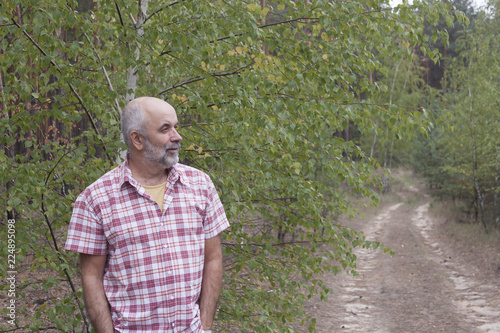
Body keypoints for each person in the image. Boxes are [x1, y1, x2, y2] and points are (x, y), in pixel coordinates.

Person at [65, 97, 229, 333]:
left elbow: (213, 258)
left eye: (176, 126)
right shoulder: (95, 200)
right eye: (165, 129)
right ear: (137, 139)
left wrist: (206, 327)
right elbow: (91, 277)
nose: (177, 136)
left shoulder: (200, 185)